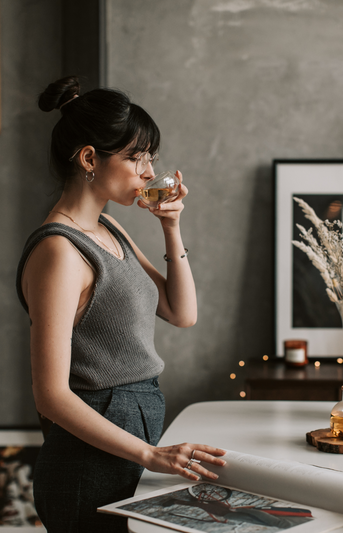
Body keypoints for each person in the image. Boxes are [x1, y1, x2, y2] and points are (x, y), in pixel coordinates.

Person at [15, 76, 226, 533]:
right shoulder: (59, 251)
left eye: (150, 157)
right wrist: (151, 454)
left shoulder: (110, 228)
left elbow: (181, 313)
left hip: (133, 434)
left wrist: (171, 226)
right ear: (90, 158)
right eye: (136, 157)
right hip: (89, 457)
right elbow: (50, 395)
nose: (150, 172)